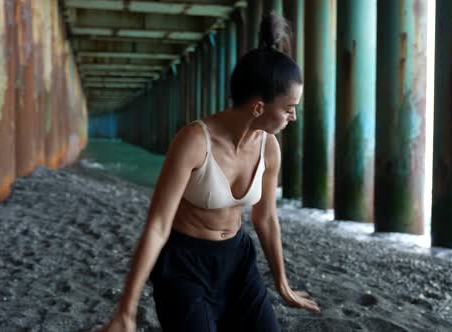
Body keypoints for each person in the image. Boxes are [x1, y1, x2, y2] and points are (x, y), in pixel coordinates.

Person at [100, 13, 320, 332]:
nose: (293, 116)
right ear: (259, 107)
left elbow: (265, 218)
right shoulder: (193, 142)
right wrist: (126, 311)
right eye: (288, 108)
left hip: (237, 260)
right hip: (184, 265)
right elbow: (158, 225)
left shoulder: (269, 148)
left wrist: (282, 283)